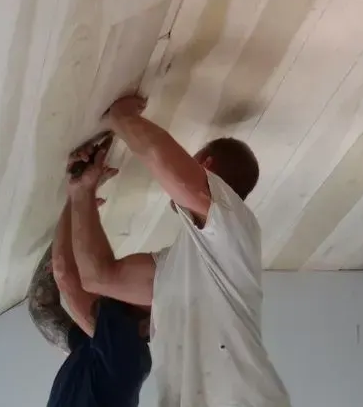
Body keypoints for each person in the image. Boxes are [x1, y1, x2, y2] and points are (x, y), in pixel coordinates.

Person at [80, 93, 291, 407]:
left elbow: (97, 278)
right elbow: (99, 275)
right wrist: (84, 193)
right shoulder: (198, 254)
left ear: (206, 165)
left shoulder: (232, 224)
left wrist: (122, 121)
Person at [32, 137, 154, 407]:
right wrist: (80, 204)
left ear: (145, 325)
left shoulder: (125, 356)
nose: (144, 287)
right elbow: (47, 298)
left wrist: (80, 196)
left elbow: (63, 272)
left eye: (149, 291)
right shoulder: (117, 357)